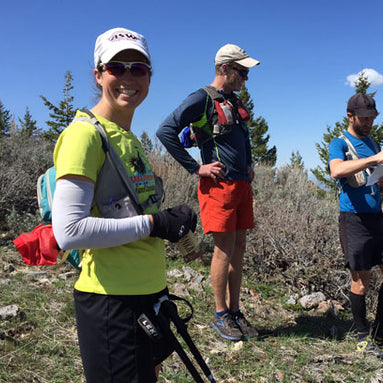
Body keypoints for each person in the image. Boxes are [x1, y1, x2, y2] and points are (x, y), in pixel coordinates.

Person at [52, 27, 197, 382]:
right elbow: (69, 232)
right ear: (99, 74)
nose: (129, 77)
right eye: (118, 67)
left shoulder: (128, 138)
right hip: (111, 302)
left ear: (150, 76)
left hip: (148, 291)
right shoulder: (83, 136)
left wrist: (169, 220)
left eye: (139, 68)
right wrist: (155, 224)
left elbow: (134, 211)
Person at [157, 44, 260, 341]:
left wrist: (250, 163)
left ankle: (235, 311)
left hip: (241, 184)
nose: (246, 78)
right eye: (242, 71)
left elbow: (243, 138)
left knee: (238, 247)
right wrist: (196, 168)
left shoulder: (233, 101)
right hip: (219, 186)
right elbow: (165, 131)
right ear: (225, 69)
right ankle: (220, 314)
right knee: (224, 249)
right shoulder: (202, 98)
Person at [328, 93, 383, 359]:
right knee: (360, 283)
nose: (369, 122)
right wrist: (375, 159)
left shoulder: (374, 142)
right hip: (353, 220)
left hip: (377, 218)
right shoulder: (339, 143)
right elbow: (337, 171)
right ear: (350, 116)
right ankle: (363, 336)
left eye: (372, 117)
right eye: (364, 118)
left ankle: (380, 328)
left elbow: (375, 179)